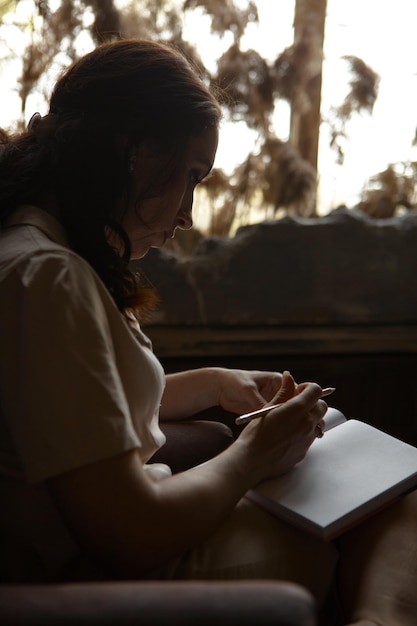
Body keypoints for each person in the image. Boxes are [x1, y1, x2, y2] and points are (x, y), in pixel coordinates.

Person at [0, 38, 416, 625]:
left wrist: (219, 383)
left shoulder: (34, 252)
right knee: (389, 496)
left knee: (343, 450)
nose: (188, 212)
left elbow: (76, 406)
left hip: (100, 549)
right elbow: (130, 533)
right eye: (190, 176)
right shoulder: (47, 276)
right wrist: (255, 450)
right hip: (106, 575)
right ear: (132, 150)